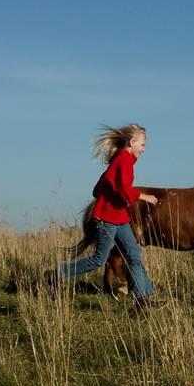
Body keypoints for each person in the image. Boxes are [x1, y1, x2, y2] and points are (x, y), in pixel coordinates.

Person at [51, 124, 164, 309]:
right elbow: (125, 189)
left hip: (119, 217)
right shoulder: (123, 161)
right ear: (131, 142)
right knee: (99, 260)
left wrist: (113, 197)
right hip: (107, 219)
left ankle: (143, 300)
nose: (144, 150)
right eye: (142, 145)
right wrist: (145, 197)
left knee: (134, 255)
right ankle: (58, 275)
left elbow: (97, 190)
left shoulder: (120, 161)